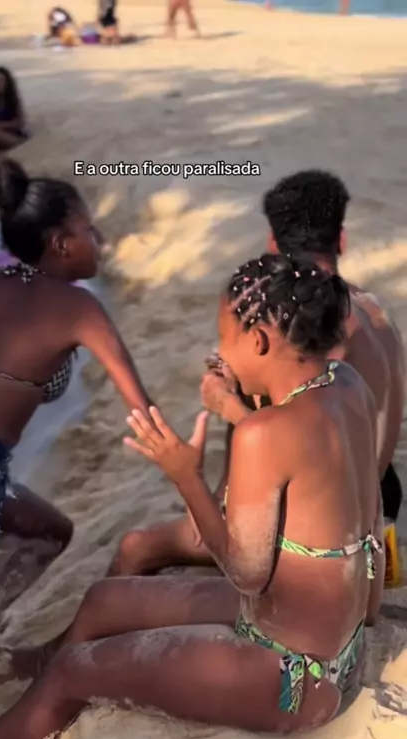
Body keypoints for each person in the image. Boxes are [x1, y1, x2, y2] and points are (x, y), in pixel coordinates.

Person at [0, 254, 384, 739]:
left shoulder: (264, 434)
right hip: (325, 645)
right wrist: (238, 410)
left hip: (291, 675)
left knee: (76, 670)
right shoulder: (346, 386)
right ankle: (3, 730)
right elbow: (358, 505)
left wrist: (185, 475)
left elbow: (245, 571)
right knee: (104, 601)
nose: (219, 351)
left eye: (225, 337)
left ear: (261, 341)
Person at [0, 158, 152, 704]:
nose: (100, 241)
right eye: (90, 230)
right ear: (60, 244)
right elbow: (139, 404)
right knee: (48, 535)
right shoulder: (78, 306)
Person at [110, 169, 404, 577]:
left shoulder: (297, 339)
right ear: (341, 240)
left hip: (328, 524)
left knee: (136, 548)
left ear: (272, 246)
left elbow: (289, 462)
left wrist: (229, 406)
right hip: (383, 502)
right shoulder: (375, 311)